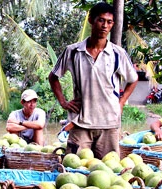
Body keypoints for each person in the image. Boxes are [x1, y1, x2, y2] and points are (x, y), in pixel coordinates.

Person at [48, 2, 138, 159]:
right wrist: (63, 102)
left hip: (109, 124)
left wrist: (122, 102)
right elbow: (53, 77)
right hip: (80, 123)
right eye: (101, 20)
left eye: (109, 22)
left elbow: (133, 80)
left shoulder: (118, 53)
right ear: (91, 20)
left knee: (109, 172)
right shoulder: (73, 51)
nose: (105, 26)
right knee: (74, 170)